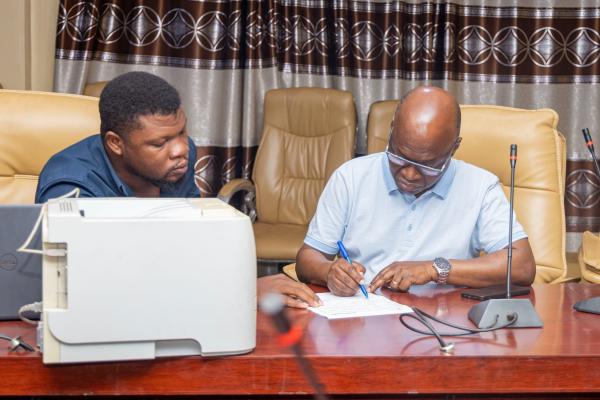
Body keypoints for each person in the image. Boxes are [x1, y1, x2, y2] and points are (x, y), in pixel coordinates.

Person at [35, 71, 320, 309]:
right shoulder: (71, 185)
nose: (181, 149)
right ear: (116, 143)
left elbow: (187, 241)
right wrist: (240, 291)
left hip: (171, 305)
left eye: (182, 132)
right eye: (159, 143)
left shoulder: (178, 161)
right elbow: (91, 285)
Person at [296, 86, 536, 296]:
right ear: (391, 131)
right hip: (363, 313)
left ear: (454, 147)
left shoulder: (481, 186)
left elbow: (522, 267)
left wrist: (433, 269)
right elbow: (307, 259)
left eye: (428, 165)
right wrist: (329, 271)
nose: (410, 174)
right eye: (399, 156)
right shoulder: (350, 177)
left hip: (443, 318)